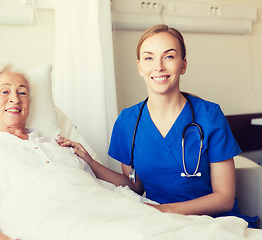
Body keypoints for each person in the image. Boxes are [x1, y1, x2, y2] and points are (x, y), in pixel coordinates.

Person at [57, 24, 258, 227]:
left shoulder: (210, 116)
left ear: (183, 64)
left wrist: (166, 210)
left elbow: (224, 198)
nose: (158, 66)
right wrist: (90, 162)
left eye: (169, 56)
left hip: (213, 223)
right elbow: (135, 185)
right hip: (159, 223)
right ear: (139, 67)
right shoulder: (128, 122)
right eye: (149, 58)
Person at [0, 63, 96, 240]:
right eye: (5, 92)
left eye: (22, 92)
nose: (15, 99)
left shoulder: (59, 144)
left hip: (95, 215)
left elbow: (99, 188)